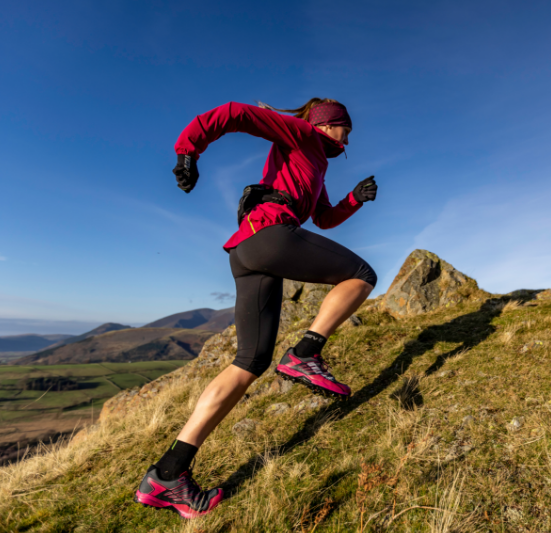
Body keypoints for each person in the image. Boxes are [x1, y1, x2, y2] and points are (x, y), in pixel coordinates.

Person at [134, 99, 378, 518]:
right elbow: (235, 113)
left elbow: (322, 218)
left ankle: (167, 475)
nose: (349, 137)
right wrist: (188, 150)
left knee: (248, 362)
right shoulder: (300, 134)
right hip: (269, 236)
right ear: (327, 124)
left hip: (248, 250)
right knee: (361, 274)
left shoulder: (316, 164)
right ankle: (305, 354)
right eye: (346, 129)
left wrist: (353, 200)